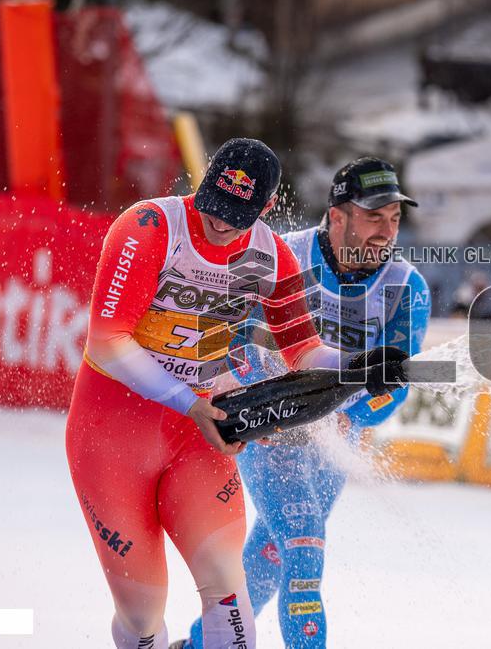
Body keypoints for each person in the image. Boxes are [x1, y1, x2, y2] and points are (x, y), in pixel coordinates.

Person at [66, 139, 403, 649]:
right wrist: (191, 403)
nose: (220, 224)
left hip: (196, 436)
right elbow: (108, 343)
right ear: (201, 185)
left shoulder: (271, 255)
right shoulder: (149, 228)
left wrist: (360, 367)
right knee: (142, 616)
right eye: (213, 207)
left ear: (265, 209)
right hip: (111, 434)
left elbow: (303, 353)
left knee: (228, 593)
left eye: (237, 216)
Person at [177, 157, 431, 648]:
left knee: (272, 555)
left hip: (333, 440)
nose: (386, 231)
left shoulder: (408, 288)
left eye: (394, 219)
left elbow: (397, 382)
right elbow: (225, 337)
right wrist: (255, 398)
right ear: (337, 216)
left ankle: (197, 644)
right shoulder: (279, 255)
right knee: (304, 549)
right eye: (373, 216)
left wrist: (347, 417)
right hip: (268, 424)